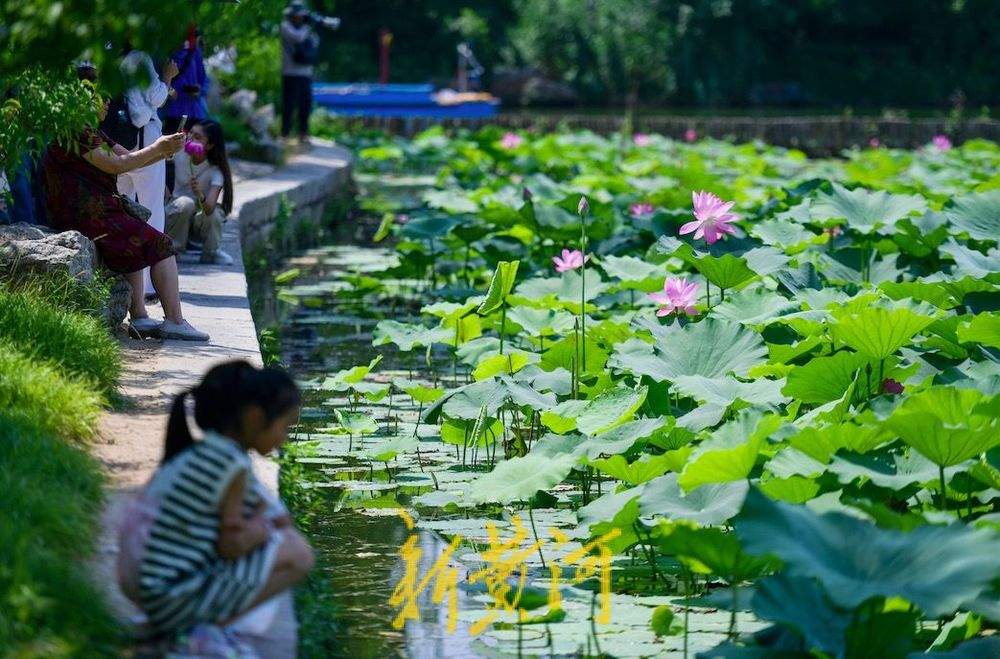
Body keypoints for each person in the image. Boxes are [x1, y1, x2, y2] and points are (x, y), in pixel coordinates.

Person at [126, 360, 313, 646]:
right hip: (171, 598)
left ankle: (178, 625)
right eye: (285, 427)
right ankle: (199, 632)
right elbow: (230, 546)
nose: (284, 439)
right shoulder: (232, 466)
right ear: (254, 418)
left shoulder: (203, 452)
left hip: (151, 588)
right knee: (298, 555)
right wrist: (263, 528)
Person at [40, 95, 209, 341]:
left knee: (136, 233)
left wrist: (164, 151)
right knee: (160, 243)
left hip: (94, 210)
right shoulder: (76, 130)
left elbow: (129, 159)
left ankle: (140, 316)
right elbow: (117, 165)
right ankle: (174, 320)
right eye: (101, 97)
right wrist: (158, 148)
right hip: (84, 213)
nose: (108, 103)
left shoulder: (90, 130)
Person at [116, 49, 178, 297]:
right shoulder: (140, 57)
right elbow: (157, 96)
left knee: (122, 209)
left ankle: (123, 279)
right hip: (145, 138)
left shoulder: (107, 54)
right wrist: (168, 77)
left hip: (117, 140)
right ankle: (151, 284)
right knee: (152, 210)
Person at [164, 119, 235, 265]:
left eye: (197, 137)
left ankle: (211, 253)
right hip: (174, 213)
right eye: (190, 133)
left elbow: (209, 209)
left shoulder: (215, 171)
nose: (190, 138)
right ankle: (174, 252)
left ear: (209, 145)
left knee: (215, 213)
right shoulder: (178, 153)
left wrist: (200, 193)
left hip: (199, 220)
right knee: (186, 203)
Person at [280, 1, 338, 144]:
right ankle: (285, 134)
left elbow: (314, 44)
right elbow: (297, 38)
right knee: (289, 104)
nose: (300, 18)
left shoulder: (307, 29)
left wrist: (317, 26)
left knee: (305, 104)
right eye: (297, 16)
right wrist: (309, 26)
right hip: (290, 72)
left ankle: (303, 133)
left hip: (306, 73)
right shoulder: (286, 26)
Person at [163, 26, 209, 135]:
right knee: (171, 143)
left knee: (193, 144)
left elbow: (204, 80)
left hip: (194, 112)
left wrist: (199, 91)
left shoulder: (195, 53)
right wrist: (170, 91)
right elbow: (159, 79)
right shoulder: (167, 54)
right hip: (173, 112)